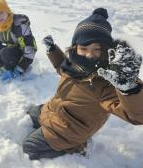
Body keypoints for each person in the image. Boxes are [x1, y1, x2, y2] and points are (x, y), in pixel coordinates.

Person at [22, 8, 143, 160]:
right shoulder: (74, 64)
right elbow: (62, 67)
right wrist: (52, 50)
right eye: (84, 48)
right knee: (30, 114)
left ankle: (76, 147)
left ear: (106, 50)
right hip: (54, 110)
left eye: (96, 49)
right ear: (75, 48)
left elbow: (137, 116)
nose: (89, 54)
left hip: (71, 129)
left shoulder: (107, 81)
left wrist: (129, 88)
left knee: (29, 146)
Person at [0, 0, 37, 81]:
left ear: (7, 11)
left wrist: (20, 69)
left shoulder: (18, 24)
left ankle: (12, 71)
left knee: (5, 52)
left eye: (1, 12)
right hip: (10, 53)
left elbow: (30, 49)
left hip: (23, 57)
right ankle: (5, 69)